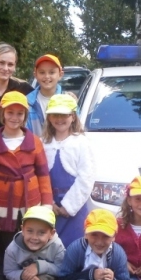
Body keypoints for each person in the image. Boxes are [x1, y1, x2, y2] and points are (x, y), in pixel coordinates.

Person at [0, 91, 53, 280]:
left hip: (31, 204)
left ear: (25, 116)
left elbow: (43, 175)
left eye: (19, 113)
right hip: (3, 207)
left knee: (33, 245)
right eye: (10, 112)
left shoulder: (35, 142)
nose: (14, 117)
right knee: (7, 250)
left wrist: (46, 206)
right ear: (2, 114)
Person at [41, 94, 95, 248]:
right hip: (50, 207)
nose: (59, 119)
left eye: (64, 115)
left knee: (74, 246)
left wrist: (69, 206)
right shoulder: (43, 143)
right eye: (55, 115)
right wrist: (49, 203)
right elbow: (39, 176)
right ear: (49, 118)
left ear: (73, 116)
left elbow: (86, 177)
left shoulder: (81, 143)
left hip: (75, 209)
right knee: (50, 246)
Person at [0, 43, 33, 130]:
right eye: (1, 63)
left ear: (15, 66)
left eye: (10, 64)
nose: (5, 68)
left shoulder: (25, 89)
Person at [26, 54, 64, 136]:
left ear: (60, 75)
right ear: (35, 75)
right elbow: (24, 133)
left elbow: (76, 130)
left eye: (52, 72)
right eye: (42, 72)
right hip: (35, 148)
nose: (47, 76)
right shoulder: (27, 102)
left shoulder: (68, 101)